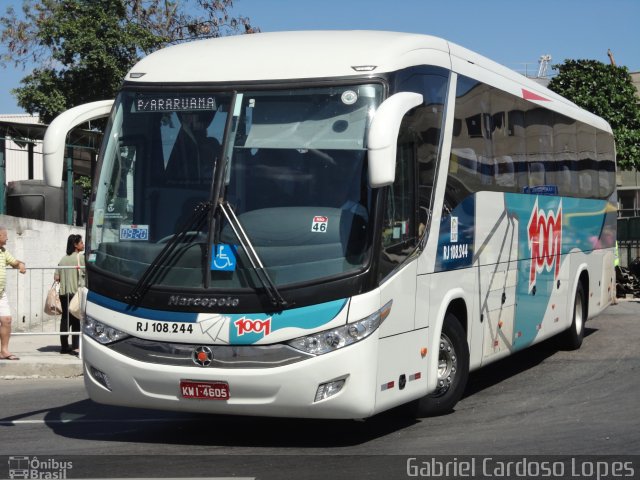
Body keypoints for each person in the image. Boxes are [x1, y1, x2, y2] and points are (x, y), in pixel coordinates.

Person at [54, 234, 86, 356]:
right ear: (75, 245)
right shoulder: (80, 258)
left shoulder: (63, 259)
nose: (83, 244)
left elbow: (56, 277)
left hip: (63, 293)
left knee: (65, 319)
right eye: (81, 242)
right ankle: (76, 347)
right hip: (75, 293)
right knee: (76, 319)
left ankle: (64, 346)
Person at [0, 225, 27, 361]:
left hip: (1, 294)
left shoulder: (3, 251)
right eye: (5, 236)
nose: (7, 238)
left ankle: (4, 350)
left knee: (7, 320)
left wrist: (20, 265)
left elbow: (14, 262)